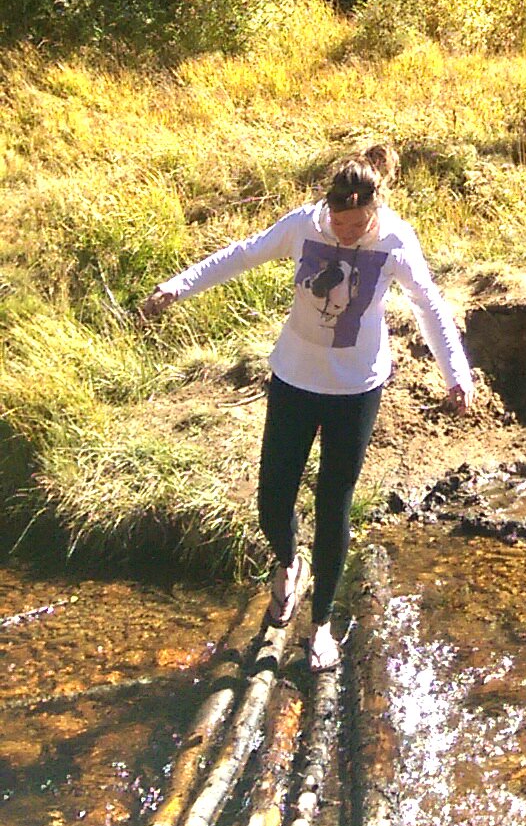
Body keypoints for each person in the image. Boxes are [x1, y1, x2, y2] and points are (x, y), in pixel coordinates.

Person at [138, 141, 474, 669]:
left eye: (356, 223)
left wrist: (456, 374)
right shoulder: (304, 225)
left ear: (375, 208)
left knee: (333, 505)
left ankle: (319, 628)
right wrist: (177, 287)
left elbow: (428, 303)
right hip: (294, 377)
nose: (345, 233)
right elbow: (243, 253)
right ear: (329, 209)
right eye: (339, 223)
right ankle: (288, 565)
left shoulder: (395, 240)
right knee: (273, 496)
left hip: (356, 389)